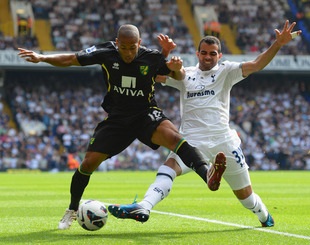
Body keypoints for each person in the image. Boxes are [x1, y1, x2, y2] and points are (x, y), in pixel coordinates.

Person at [18, 24, 227, 230]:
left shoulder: (151, 56)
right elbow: (72, 58)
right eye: (123, 47)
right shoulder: (105, 52)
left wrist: (173, 66)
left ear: (140, 43)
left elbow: (178, 75)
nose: (128, 52)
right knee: (88, 163)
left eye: (132, 47)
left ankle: (207, 173)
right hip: (117, 118)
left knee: (174, 138)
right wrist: (42, 57)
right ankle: (72, 209)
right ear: (117, 43)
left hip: (145, 113)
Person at [108, 20, 302, 227]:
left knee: (246, 196)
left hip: (224, 142)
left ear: (219, 55)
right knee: (168, 168)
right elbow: (150, 73)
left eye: (212, 53)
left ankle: (264, 216)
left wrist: (278, 44)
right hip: (192, 141)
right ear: (197, 53)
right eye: (204, 52)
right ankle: (144, 206)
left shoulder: (227, 71)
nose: (208, 56)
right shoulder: (184, 74)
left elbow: (257, 64)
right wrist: (145, 57)